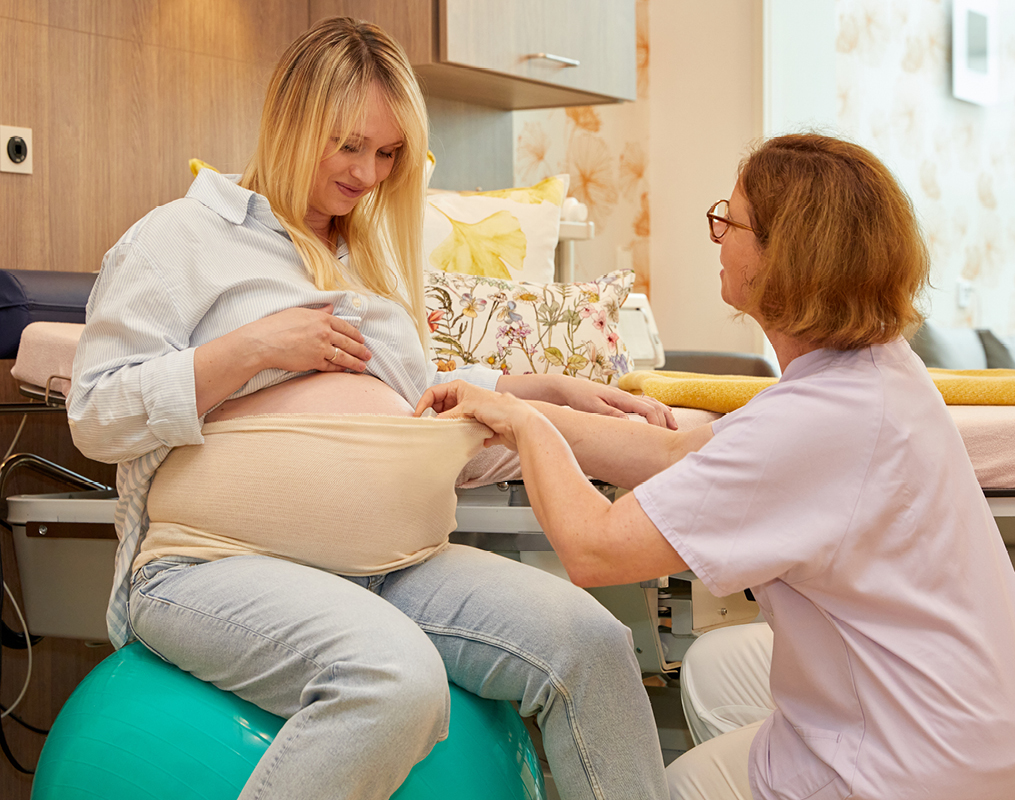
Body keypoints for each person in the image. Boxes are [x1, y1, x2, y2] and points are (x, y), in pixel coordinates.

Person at [67, 17, 674, 800]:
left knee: (592, 643)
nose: (369, 174)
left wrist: (545, 394)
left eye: (389, 154)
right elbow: (96, 416)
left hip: (389, 566)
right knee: (394, 680)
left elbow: (419, 425)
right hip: (209, 565)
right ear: (291, 121)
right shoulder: (180, 238)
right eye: (349, 146)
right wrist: (253, 347)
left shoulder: (374, 263)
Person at [418, 133, 1015, 800]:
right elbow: (677, 453)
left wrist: (528, 428)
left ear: (784, 259)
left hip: (938, 766)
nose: (718, 236)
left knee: (681, 789)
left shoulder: (810, 424)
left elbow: (595, 550)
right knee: (712, 670)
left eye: (729, 221)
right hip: (1014, 716)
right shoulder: (877, 368)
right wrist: (521, 399)